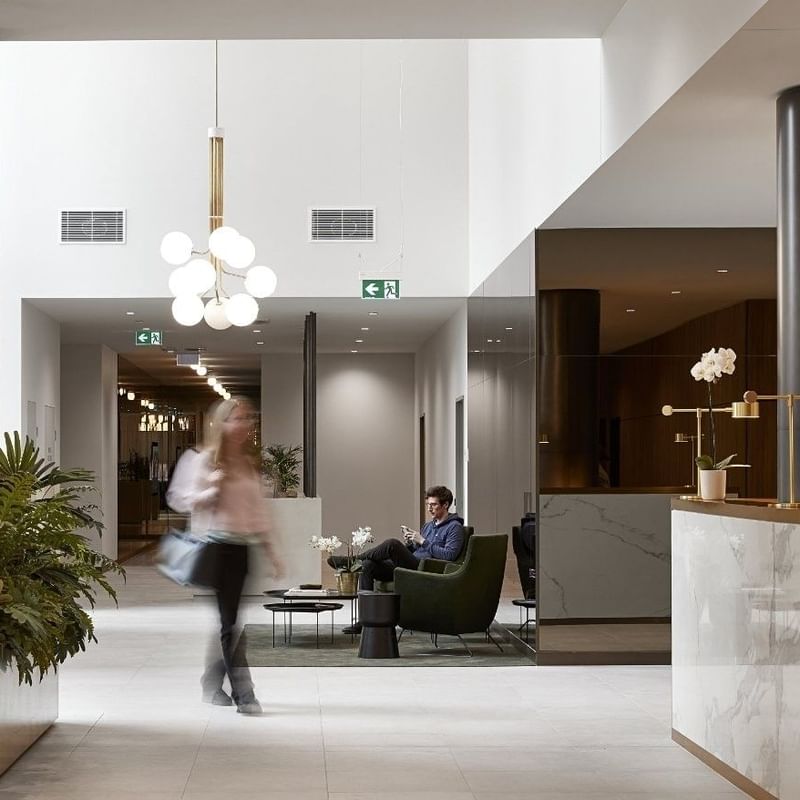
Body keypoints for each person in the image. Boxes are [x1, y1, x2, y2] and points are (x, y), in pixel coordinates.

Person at [167, 397, 284, 715]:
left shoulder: (247, 464)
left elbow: (257, 512)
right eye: (237, 418)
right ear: (222, 423)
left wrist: (272, 551)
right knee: (231, 623)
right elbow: (178, 498)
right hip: (216, 549)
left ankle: (211, 683)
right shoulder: (204, 460)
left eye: (248, 418)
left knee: (229, 621)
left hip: (243, 551)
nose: (244, 424)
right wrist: (210, 490)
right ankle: (245, 693)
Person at [330, 485, 464, 634]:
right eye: (428, 505)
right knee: (368, 565)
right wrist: (412, 542)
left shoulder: (455, 527)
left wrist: (423, 541)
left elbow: (449, 556)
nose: (429, 509)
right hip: (413, 563)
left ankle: (351, 561)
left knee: (392, 544)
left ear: (445, 505)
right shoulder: (428, 526)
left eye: (433, 505)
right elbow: (417, 548)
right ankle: (364, 620)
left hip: (427, 569)